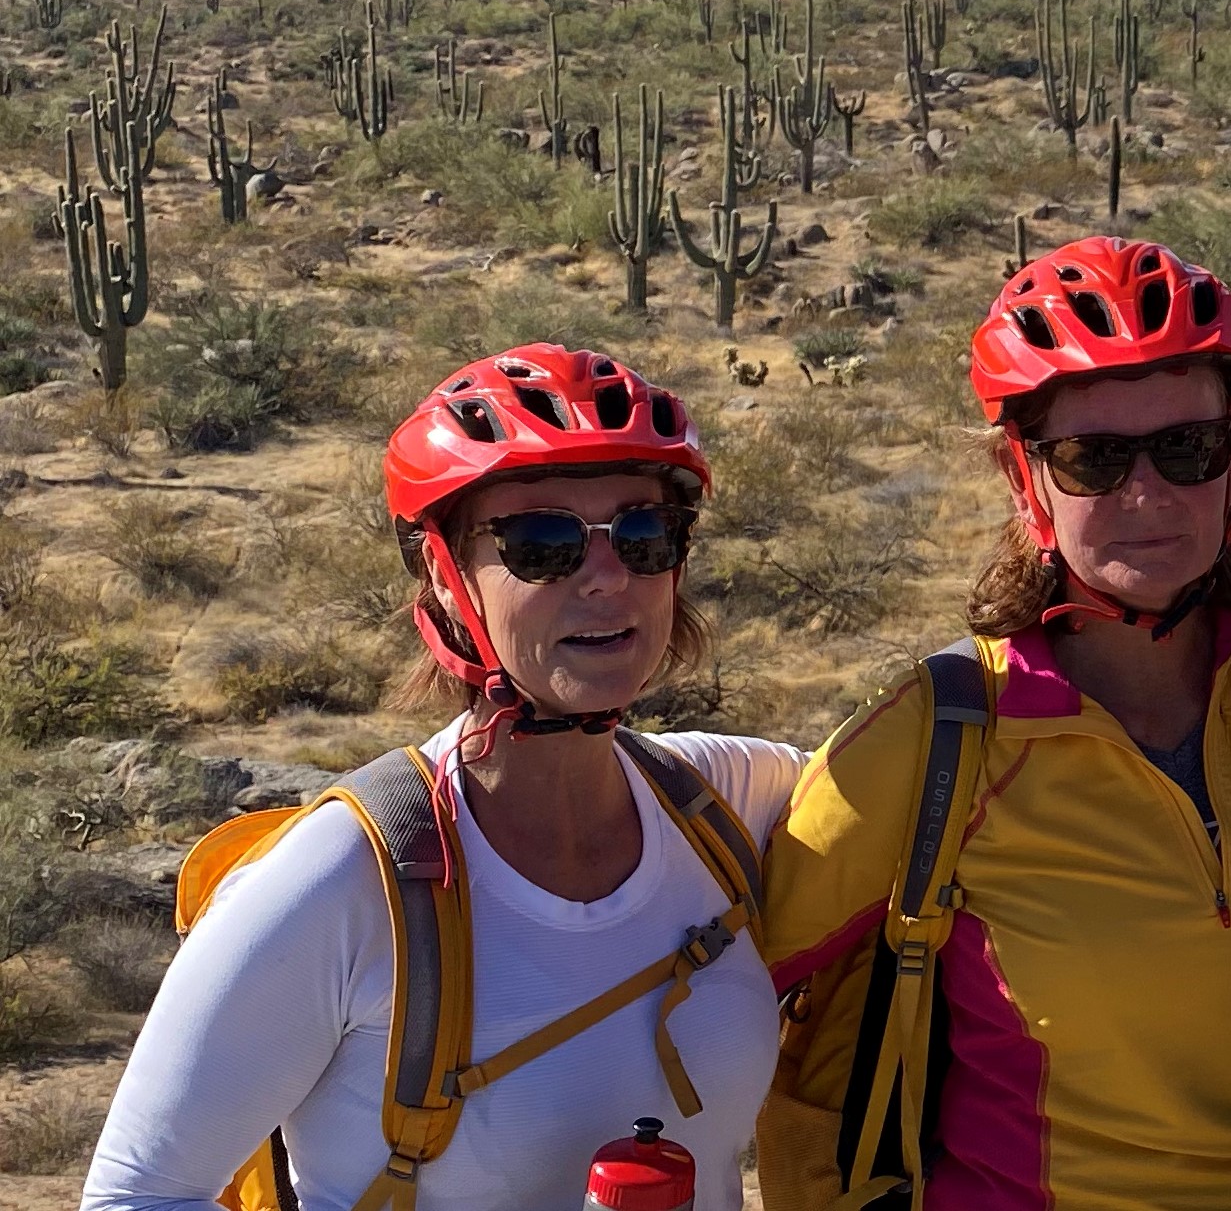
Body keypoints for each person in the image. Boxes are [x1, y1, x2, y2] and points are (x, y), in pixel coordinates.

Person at [87, 345, 804, 1211]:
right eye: (543, 544)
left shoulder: (724, 800)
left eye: (645, 536)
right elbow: (138, 1194)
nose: (609, 578)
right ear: (443, 570)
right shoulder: (343, 882)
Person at [753, 237, 1231, 1211]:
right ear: (1023, 475)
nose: (1146, 493)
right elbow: (706, 984)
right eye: (1092, 459)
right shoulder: (939, 737)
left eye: (1185, 449)